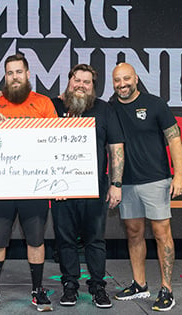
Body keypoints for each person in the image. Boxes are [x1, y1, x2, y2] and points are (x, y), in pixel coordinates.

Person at [0, 53, 58, 312]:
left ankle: (37, 290)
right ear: (5, 76)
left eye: (18, 72)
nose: (14, 77)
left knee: (36, 241)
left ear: (27, 74)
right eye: (10, 73)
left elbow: (56, 143)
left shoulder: (43, 104)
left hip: (34, 188)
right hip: (1, 188)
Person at [109, 63, 182, 312]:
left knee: (162, 233)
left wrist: (179, 175)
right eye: (117, 80)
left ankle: (167, 289)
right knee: (133, 232)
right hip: (126, 183)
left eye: (127, 78)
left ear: (136, 78)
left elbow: (174, 138)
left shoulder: (155, 104)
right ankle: (140, 284)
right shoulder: (110, 108)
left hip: (156, 179)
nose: (122, 84)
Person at [50, 64, 124, 309]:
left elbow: (116, 148)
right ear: (69, 82)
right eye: (76, 80)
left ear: (93, 86)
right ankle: (70, 285)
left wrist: (115, 184)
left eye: (86, 82)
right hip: (61, 188)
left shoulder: (104, 109)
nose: (80, 85)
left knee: (95, 240)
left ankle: (97, 286)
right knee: (65, 239)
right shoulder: (53, 106)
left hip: (94, 187)